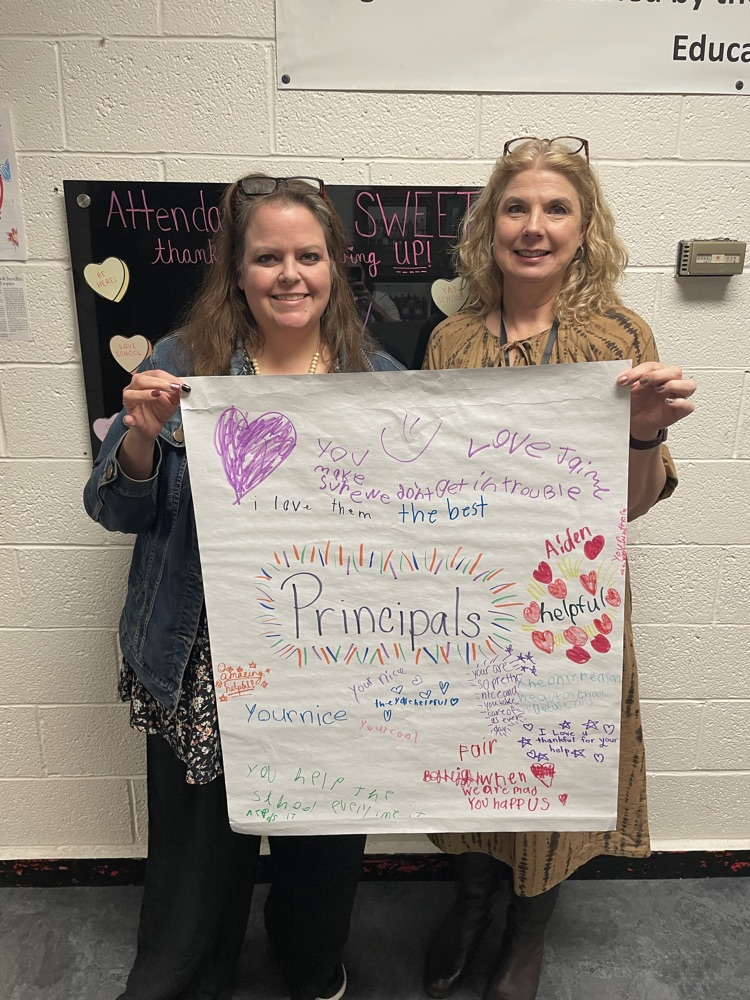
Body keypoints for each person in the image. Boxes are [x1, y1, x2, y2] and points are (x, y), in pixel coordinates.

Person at [84, 174, 403, 1000]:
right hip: (203, 662)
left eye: (308, 254)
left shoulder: (385, 381)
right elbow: (113, 507)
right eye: (267, 257)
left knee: (324, 850)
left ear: (335, 265)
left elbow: (423, 525)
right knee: (197, 864)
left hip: (334, 663)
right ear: (236, 269)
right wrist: (143, 440)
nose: (289, 274)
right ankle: (189, 976)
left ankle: (311, 964)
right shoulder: (179, 363)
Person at [421, 137, 697, 1000]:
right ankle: (470, 904)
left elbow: (638, 501)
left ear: (585, 230)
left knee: (554, 761)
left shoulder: (620, 338)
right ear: (488, 227)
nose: (533, 226)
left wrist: (645, 432)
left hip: (570, 606)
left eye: (555, 209)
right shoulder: (451, 338)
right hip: (470, 601)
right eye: (516, 207)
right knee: (473, 754)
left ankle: (525, 933)